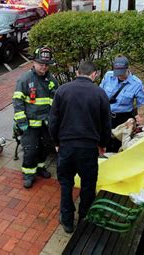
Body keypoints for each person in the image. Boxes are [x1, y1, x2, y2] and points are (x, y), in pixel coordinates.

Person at [49, 61, 111, 233]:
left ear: (77, 73)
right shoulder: (100, 94)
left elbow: (53, 121)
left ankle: (67, 220)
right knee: (88, 185)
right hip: (88, 149)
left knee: (66, 184)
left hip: (66, 148)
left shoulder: (62, 91)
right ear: (94, 74)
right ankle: (84, 217)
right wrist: (103, 144)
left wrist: (55, 142)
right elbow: (106, 124)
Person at [13, 47, 58, 189]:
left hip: (45, 124)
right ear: (33, 62)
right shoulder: (25, 80)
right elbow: (17, 101)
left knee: (45, 148)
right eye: (41, 64)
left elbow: (55, 102)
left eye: (46, 64)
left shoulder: (51, 80)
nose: (43, 67)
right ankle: (28, 174)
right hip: (30, 125)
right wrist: (21, 122)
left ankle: (39, 168)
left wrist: (53, 121)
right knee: (31, 150)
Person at [99, 55, 144, 153]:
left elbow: (142, 106)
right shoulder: (108, 76)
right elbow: (99, 93)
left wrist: (142, 122)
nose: (119, 75)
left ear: (128, 69)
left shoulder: (136, 83)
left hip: (122, 119)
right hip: (105, 115)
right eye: (117, 73)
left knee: (118, 147)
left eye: (122, 73)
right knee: (103, 143)